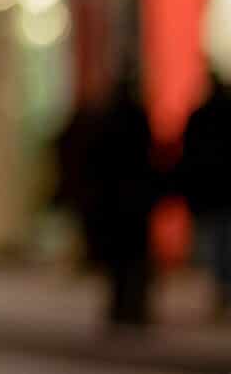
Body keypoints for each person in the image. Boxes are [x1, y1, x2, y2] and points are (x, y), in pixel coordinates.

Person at [85, 75, 162, 328]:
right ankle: (133, 307)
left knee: (120, 260)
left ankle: (121, 306)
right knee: (134, 257)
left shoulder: (107, 120)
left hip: (117, 202)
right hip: (133, 200)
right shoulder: (137, 119)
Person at [180, 72, 231, 317]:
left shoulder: (199, 117)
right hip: (218, 192)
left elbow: (188, 156)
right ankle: (222, 290)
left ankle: (220, 291)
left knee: (215, 243)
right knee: (222, 242)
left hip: (209, 193)